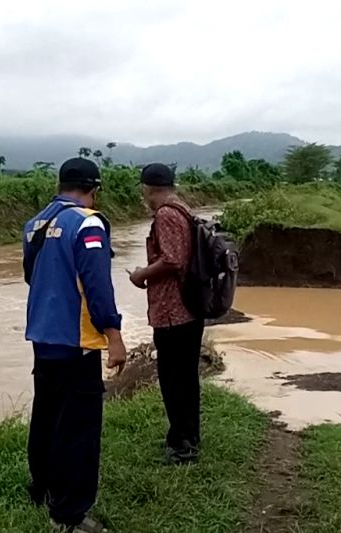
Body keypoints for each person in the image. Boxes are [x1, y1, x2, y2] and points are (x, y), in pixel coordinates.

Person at [23, 157, 126, 533]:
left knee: (47, 414)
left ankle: (43, 489)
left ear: (61, 184)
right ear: (93, 189)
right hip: (76, 340)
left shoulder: (36, 223)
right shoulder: (88, 223)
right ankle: (69, 514)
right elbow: (97, 284)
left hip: (42, 334)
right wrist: (113, 334)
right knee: (79, 425)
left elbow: (30, 276)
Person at [129, 163, 204, 464]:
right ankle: (188, 436)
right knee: (185, 377)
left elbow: (172, 261)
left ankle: (182, 445)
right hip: (189, 308)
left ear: (148, 188)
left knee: (174, 378)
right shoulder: (183, 208)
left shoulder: (166, 214)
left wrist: (141, 274)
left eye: (143, 190)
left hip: (174, 312)